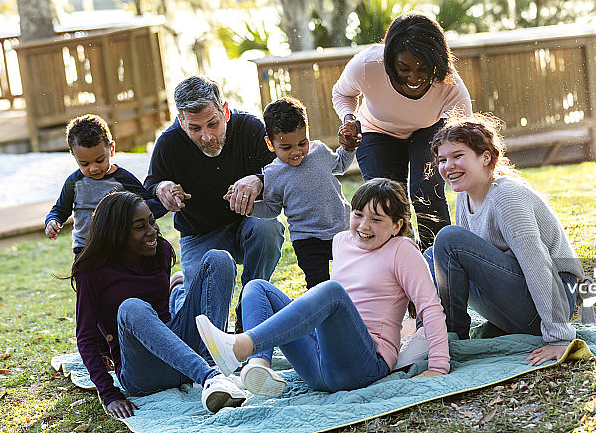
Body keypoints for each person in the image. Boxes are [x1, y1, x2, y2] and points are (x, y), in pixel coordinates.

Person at [195, 178, 449, 398]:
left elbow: (430, 307)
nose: (364, 226)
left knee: (332, 292)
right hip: (318, 366)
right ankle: (258, 366)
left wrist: (438, 367)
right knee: (257, 288)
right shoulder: (341, 241)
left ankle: (241, 346)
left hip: (364, 365)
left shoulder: (402, 250)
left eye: (376, 219)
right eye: (358, 214)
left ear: (397, 225)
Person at [67, 191, 247, 417]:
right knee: (131, 307)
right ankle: (210, 377)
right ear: (117, 233)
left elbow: (164, 312)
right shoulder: (91, 272)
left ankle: (212, 363)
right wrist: (109, 393)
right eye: (140, 226)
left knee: (219, 259)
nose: (152, 230)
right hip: (144, 373)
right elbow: (85, 337)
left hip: (182, 350)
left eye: (152, 221)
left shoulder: (160, 251)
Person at [427, 115, 586, 366]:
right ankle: (441, 338)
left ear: (485, 157)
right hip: (517, 297)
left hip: (551, 300)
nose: (448, 166)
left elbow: (537, 265)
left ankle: (453, 338)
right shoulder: (465, 196)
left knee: (448, 239)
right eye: (442, 160)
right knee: (432, 254)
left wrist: (559, 336)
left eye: (458, 156)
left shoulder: (506, 197)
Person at [144, 76, 285, 330]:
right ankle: (178, 291)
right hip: (199, 235)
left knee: (268, 228)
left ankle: (249, 311)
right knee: (200, 327)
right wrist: (160, 189)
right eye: (195, 128)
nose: (207, 136)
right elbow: (148, 193)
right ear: (181, 122)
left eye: (213, 124)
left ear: (225, 111)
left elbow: (284, 173)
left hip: (248, 225)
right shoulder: (168, 143)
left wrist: (260, 180)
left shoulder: (251, 128)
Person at [332, 11, 472, 251]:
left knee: (426, 191)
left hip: (428, 130)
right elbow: (342, 93)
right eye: (403, 68)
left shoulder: (450, 84)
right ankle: (400, 258)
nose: (413, 77)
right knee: (386, 200)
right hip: (376, 131)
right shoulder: (366, 66)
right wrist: (349, 119)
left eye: (423, 69)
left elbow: (464, 132)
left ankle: (438, 258)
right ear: (389, 61)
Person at [246, 96, 360, 289]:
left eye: (302, 143)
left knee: (352, 280)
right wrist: (251, 209)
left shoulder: (319, 151)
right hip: (307, 240)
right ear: (270, 144)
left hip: (340, 230)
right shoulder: (272, 173)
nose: (296, 151)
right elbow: (273, 209)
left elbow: (340, 164)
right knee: (318, 287)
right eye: (286, 147)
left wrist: (348, 148)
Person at [45, 114, 166, 256]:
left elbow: (146, 207)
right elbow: (60, 209)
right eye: (84, 164)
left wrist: (167, 202)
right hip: (84, 249)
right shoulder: (74, 182)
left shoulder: (123, 179)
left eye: (99, 160)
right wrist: (53, 220)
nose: (93, 168)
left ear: (111, 149)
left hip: (119, 247)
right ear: (74, 156)